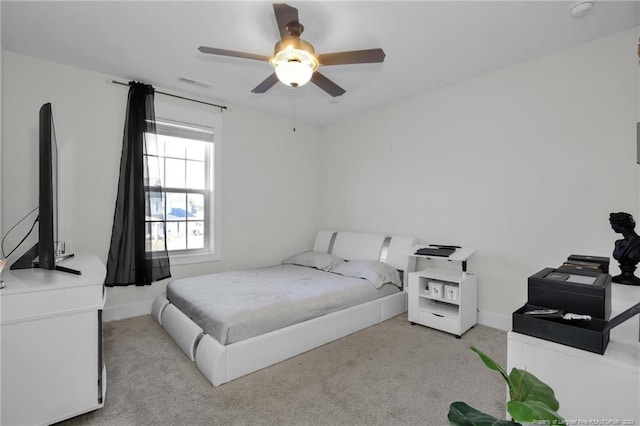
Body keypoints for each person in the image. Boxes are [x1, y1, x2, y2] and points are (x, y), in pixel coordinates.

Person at [609, 212, 640, 286]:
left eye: (612, 224)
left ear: (619, 224)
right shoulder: (618, 243)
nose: (612, 227)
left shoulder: (638, 243)